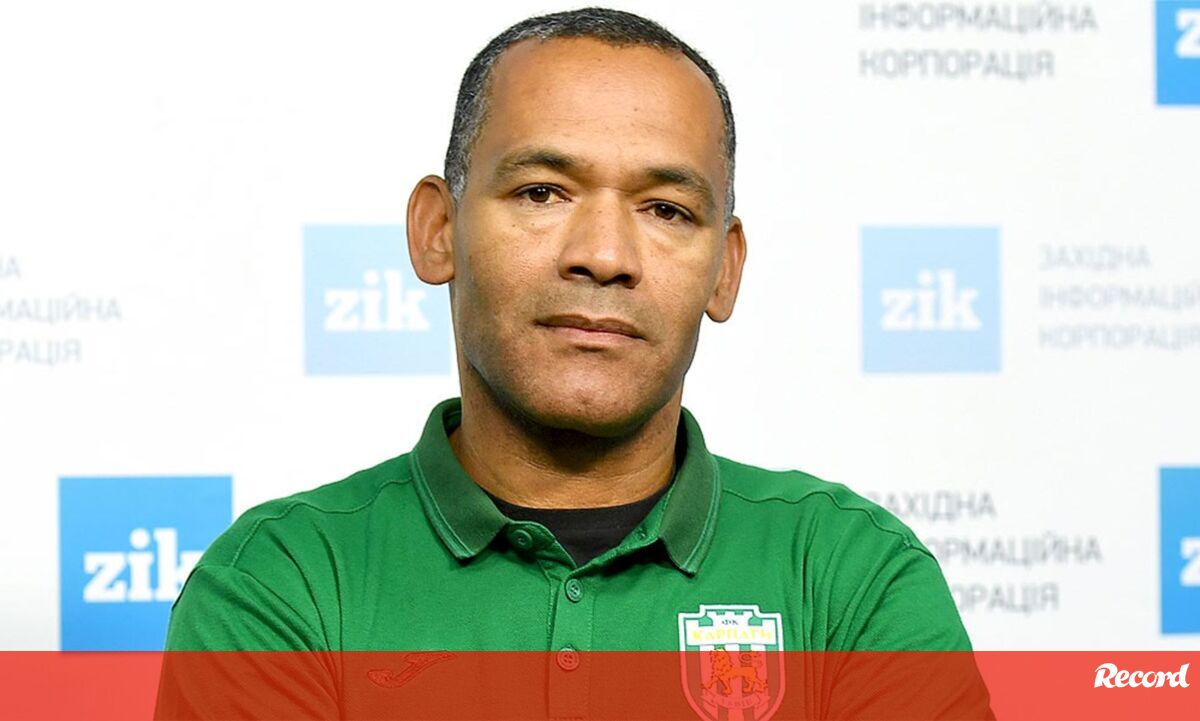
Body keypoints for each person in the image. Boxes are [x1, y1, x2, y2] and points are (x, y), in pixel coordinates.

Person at [157, 6, 992, 719]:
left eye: (666, 209)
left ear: (724, 269)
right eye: (542, 192)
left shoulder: (850, 573)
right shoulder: (284, 580)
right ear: (438, 230)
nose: (604, 254)